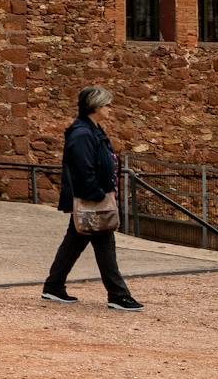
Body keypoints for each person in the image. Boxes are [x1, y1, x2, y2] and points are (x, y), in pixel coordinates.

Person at [43, 85, 143, 310]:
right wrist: (97, 194)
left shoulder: (92, 130)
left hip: (94, 197)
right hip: (92, 199)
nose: (110, 109)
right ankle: (118, 295)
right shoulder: (82, 133)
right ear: (95, 107)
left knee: (75, 241)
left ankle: (54, 286)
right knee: (104, 241)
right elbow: (82, 168)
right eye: (107, 105)